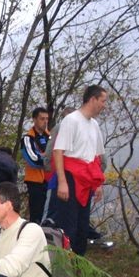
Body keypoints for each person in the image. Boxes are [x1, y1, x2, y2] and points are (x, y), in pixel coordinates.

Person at [52, 85, 107, 256]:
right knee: (68, 227)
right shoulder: (71, 120)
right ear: (92, 99)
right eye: (103, 101)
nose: (104, 105)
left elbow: (96, 157)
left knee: (82, 227)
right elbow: (58, 151)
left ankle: (78, 267)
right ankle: (63, 270)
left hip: (86, 180)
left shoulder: (94, 125)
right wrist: (62, 181)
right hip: (70, 179)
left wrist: (97, 184)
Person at [20, 107, 50, 224]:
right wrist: (47, 158)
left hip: (50, 181)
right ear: (35, 120)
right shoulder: (28, 138)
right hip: (35, 182)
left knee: (49, 215)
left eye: (47, 119)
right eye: (42, 119)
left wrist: (43, 156)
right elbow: (34, 160)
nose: (45, 121)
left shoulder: (50, 136)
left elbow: (57, 155)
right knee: (36, 216)